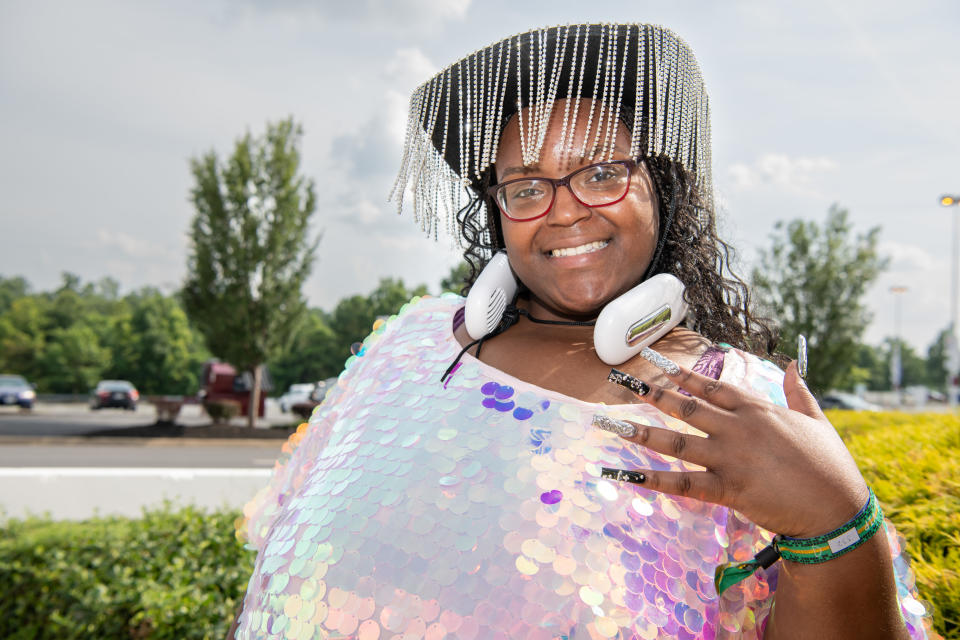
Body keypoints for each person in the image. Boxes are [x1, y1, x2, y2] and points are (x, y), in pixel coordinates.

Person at [231, 24, 934, 639]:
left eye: (601, 173)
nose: (564, 212)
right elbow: (273, 565)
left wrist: (837, 525)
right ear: (499, 212)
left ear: (663, 186)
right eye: (528, 187)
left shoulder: (742, 404)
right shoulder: (404, 345)